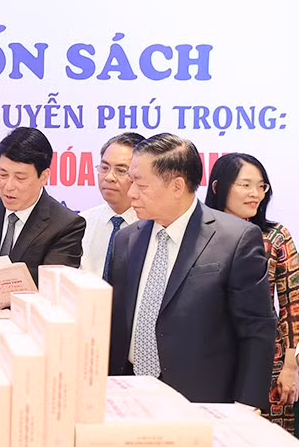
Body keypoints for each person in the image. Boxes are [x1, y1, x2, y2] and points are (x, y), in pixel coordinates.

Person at [107, 134, 275, 410]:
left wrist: (246, 407)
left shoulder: (235, 240)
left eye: (140, 183)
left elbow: (257, 330)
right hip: (128, 393)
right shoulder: (127, 238)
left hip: (201, 401)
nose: (131, 192)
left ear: (176, 186)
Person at [0, 128, 86, 342]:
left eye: (20, 177)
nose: (8, 186)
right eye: (2, 174)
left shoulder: (66, 224)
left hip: (30, 344)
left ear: (44, 176)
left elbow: (53, 296)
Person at [205, 153, 299, 431]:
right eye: (245, 185)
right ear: (218, 187)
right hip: (208, 359)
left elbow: (292, 302)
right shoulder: (198, 235)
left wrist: (290, 365)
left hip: (266, 363)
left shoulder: (275, 236)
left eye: (261, 186)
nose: (255, 193)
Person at [80, 133, 145, 280]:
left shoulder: (153, 226)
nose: (109, 177)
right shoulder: (82, 223)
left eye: (121, 170)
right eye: (104, 167)